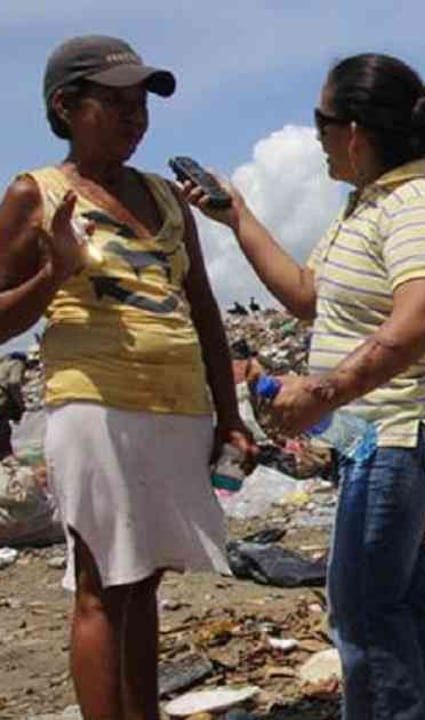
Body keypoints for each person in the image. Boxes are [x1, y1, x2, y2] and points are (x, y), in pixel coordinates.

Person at [184, 52, 425, 719]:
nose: (316, 140)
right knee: (398, 600)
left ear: (354, 132)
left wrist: (325, 393)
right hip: (382, 437)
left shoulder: (413, 206)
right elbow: (308, 296)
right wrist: (237, 216)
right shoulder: (367, 207)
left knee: (363, 611)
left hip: (399, 433)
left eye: (320, 125)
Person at [0, 36, 256, 719]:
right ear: (66, 106)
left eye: (141, 104)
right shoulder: (34, 194)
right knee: (101, 586)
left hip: (177, 408)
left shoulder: (167, 198)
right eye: (115, 103)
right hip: (95, 405)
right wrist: (55, 272)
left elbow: (203, 309)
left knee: (144, 581)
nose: (135, 117)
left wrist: (229, 416)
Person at [0, 352, 27, 459]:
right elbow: (14, 383)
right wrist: (20, 403)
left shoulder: (2, 364)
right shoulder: (17, 363)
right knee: (3, 430)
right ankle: (6, 457)